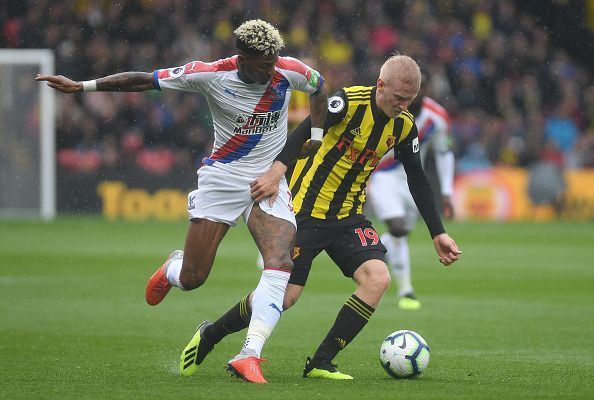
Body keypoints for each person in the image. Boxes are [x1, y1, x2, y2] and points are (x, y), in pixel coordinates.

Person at [36, 19, 328, 384]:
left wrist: (315, 133)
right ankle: (173, 268)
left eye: (275, 61)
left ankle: (249, 354)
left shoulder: (287, 70)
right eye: (264, 65)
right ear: (242, 59)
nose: (273, 70)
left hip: (268, 180)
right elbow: (145, 79)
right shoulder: (209, 75)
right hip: (222, 178)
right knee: (193, 278)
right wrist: (83, 86)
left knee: (280, 261)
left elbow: (319, 87)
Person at [180, 54, 461, 380]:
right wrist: (275, 174)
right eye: (398, 98)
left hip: (349, 217)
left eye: (409, 100)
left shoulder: (404, 125)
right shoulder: (347, 103)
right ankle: (211, 334)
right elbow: (299, 135)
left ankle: (321, 362)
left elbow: (418, 178)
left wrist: (437, 232)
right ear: (381, 85)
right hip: (304, 213)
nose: (403, 106)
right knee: (285, 298)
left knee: (378, 279)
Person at [367, 82, 455, 310]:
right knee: (397, 227)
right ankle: (406, 290)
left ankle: (382, 246)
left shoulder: (437, 117)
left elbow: (444, 152)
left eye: (414, 94)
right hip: (382, 176)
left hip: (412, 181)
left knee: (400, 234)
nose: (408, 100)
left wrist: (447, 191)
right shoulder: (386, 107)